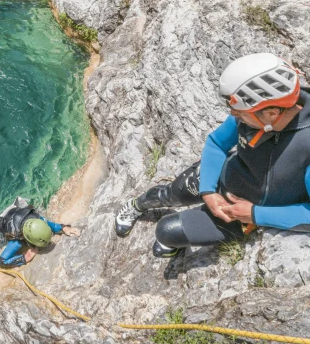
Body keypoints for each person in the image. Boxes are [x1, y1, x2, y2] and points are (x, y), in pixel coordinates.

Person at [114, 53, 310, 258]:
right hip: (224, 179)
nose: (234, 115)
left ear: (270, 113)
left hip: (244, 215)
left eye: (239, 112)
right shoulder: (257, 111)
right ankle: (136, 205)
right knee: (168, 194)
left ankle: (171, 243)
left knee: (166, 232)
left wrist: (254, 214)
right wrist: (208, 190)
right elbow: (217, 143)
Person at [0, 197, 80, 266]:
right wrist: (24, 258)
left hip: (18, 210)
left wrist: (64, 228)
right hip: (2, 220)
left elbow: (52, 226)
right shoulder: (16, 241)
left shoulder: (37, 218)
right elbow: (2, 261)